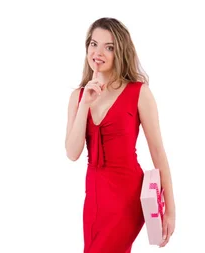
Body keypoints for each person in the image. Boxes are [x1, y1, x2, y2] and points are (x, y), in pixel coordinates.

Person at [65, 17, 176, 252]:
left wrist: (171, 210)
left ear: (120, 51)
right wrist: (84, 103)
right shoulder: (77, 97)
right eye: (94, 44)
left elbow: (158, 152)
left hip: (127, 197)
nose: (98, 52)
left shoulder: (139, 93)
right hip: (94, 197)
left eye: (109, 47)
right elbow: (72, 153)